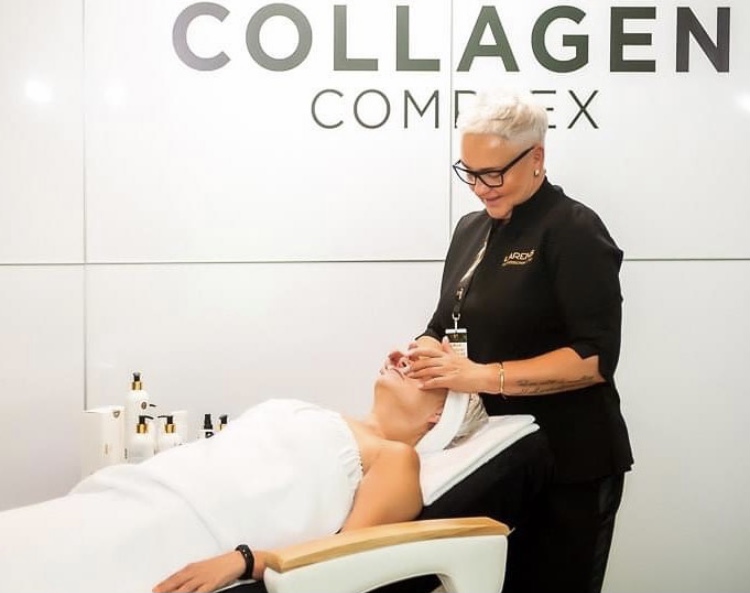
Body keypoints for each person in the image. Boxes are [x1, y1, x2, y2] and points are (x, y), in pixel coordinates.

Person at [0, 351, 488, 593]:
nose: (401, 357)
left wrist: (244, 560)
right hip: (138, 495)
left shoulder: (395, 458)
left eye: (426, 368)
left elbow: (344, 559)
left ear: (438, 417)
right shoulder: (317, 413)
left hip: (179, 532)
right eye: (410, 351)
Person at [400, 88, 634, 593]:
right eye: (469, 172)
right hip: (495, 462)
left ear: (536, 158)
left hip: (570, 466)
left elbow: (593, 359)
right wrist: (423, 351)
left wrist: (483, 376)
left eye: (493, 173)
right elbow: (444, 322)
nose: (480, 188)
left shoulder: (573, 229)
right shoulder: (469, 230)